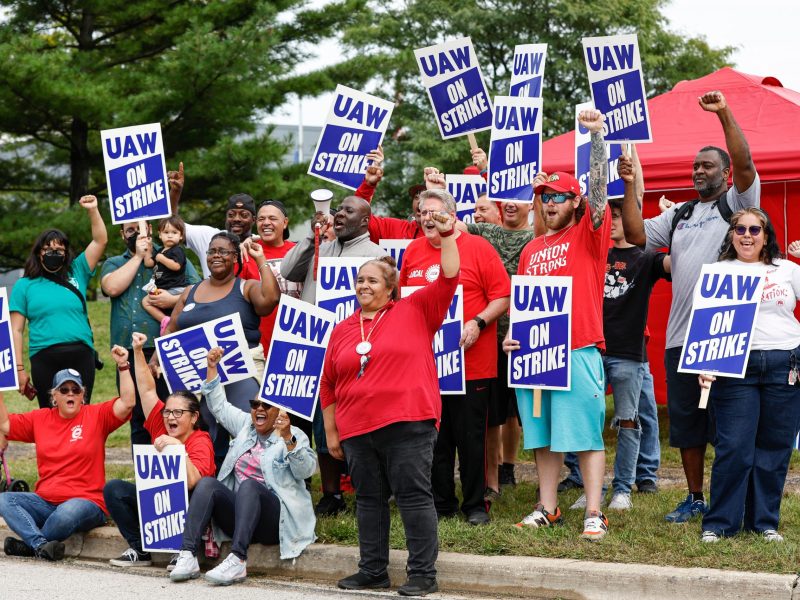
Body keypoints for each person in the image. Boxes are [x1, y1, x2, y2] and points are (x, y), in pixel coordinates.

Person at [620, 90, 760, 523]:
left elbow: (746, 164)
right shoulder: (680, 214)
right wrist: (629, 184)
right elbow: (636, 232)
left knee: (729, 427)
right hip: (681, 337)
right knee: (687, 427)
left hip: (724, 332)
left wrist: (723, 113)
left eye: (708, 165)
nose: (699, 170)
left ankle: (732, 498)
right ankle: (695, 497)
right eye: (696, 165)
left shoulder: (735, 205)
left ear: (724, 172)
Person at [321, 210, 459, 596]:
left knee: (413, 497)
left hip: (408, 423)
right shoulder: (343, 329)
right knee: (368, 500)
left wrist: (447, 234)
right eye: (360, 280)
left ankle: (422, 575)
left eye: (372, 280)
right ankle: (373, 570)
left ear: (390, 287)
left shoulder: (416, 310)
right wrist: (333, 432)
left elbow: (449, 276)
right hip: (357, 430)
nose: (364, 285)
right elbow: (329, 384)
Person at [504, 109, 611, 541]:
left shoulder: (589, 232)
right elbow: (525, 303)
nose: (549, 203)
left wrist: (597, 137)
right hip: (536, 355)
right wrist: (516, 336)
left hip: (579, 346)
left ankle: (594, 512)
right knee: (542, 436)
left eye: (558, 197)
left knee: (584, 435)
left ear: (574, 202)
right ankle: (547, 508)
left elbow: (601, 192)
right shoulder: (531, 250)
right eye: (544, 197)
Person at [400, 187, 510, 526]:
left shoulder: (478, 248)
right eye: (422, 213)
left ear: (452, 215)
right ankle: (442, 502)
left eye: (435, 212)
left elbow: (503, 296)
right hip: (427, 366)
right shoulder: (413, 252)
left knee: (471, 437)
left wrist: (478, 322)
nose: (427, 219)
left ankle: (475, 504)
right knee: (435, 438)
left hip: (472, 362)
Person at [170, 347, 316, 586]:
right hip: (240, 516)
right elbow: (218, 406)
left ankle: (237, 560)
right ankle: (187, 554)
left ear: (279, 411)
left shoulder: (292, 435)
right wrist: (212, 367)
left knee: (249, 485)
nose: (259, 409)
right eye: (254, 403)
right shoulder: (245, 427)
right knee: (207, 484)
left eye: (266, 405)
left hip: (273, 521)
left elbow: (306, 471)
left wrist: (288, 437)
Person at [697, 210, 800, 543]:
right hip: (734, 367)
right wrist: (704, 365)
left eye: (754, 229)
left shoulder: (787, 270)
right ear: (731, 234)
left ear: (766, 235)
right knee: (734, 446)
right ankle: (720, 523)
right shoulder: (717, 272)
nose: (747, 235)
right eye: (739, 228)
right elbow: (706, 323)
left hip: (785, 364)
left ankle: (764, 522)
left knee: (775, 446)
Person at [281, 195, 386, 516]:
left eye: (348, 211)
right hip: (317, 350)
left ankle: (370, 491)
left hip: (357, 351)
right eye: (337, 210)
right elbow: (287, 270)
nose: (339, 214)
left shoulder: (377, 256)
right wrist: (312, 239)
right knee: (321, 425)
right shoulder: (321, 249)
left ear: (366, 221)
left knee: (360, 425)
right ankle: (331, 494)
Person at [157, 231, 280, 465]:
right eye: (212, 251)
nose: (216, 255)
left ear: (235, 257)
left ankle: (248, 491)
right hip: (198, 376)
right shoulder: (190, 291)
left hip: (239, 372)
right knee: (205, 437)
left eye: (223, 251)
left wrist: (260, 259)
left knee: (246, 433)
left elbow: (270, 299)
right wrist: (155, 359)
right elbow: (171, 329)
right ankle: (208, 487)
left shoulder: (246, 287)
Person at [0, 350, 135, 561]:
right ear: (54, 396)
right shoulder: (40, 418)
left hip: (86, 502)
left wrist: (124, 366)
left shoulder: (97, 415)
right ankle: (40, 545)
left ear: (83, 394)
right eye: (64, 389)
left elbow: (127, 403)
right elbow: (4, 424)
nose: (70, 393)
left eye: (75, 389)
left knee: (67, 512)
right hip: (45, 501)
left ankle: (29, 546)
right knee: (4, 500)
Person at [457, 146, 536, 498]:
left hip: (529, 335)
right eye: (506, 197)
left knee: (527, 413)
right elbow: (452, 224)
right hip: (491, 337)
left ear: (532, 203)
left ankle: (519, 470)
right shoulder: (485, 233)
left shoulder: (537, 235)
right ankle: (492, 481)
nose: (510, 203)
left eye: (519, 198)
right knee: (492, 416)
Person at [104, 332, 216, 567]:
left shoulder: (200, 440)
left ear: (194, 417)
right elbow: (146, 391)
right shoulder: (160, 423)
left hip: (188, 507)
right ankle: (139, 549)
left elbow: (194, 484)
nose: (170, 417)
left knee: (194, 492)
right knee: (114, 489)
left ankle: (185, 550)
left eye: (178, 413)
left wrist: (178, 450)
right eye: (167, 412)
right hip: (158, 505)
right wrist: (136, 352)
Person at [101, 222, 201, 445]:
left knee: (173, 412)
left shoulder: (171, 254)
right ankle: (144, 476)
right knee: (137, 415)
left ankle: (177, 472)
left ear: (151, 230)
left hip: (166, 347)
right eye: (130, 230)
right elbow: (112, 288)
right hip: (128, 351)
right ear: (122, 234)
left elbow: (198, 290)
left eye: (141, 228)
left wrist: (172, 299)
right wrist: (138, 256)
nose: (135, 233)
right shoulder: (114, 262)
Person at [10, 195, 107, 408]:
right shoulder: (24, 285)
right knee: (49, 415)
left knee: (82, 413)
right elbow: (16, 330)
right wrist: (19, 369)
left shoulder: (78, 270)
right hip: (43, 356)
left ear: (66, 254)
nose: (54, 253)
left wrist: (93, 210)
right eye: (48, 249)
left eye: (60, 250)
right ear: (39, 253)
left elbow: (100, 241)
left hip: (81, 353)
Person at [238, 200, 302, 372]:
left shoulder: (300, 252)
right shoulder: (246, 253)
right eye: (261, 219)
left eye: (272, 218)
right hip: (259, 349)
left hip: (298, 345)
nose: (266, 223)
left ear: (285, 222)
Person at [168, 161, 258, 278]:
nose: (236, 219)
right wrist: (175, 193)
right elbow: (171, 225)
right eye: (231, 214)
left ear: (254, 220)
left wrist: (252, 239)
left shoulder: (258, 244)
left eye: (244, 215)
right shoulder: (209, 236)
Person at [141, 215, 189, 334]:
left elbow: (176, 266)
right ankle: (165, 320)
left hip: (176, 288)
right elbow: (148, 263)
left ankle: (168, 321)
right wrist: (148, 248)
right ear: (160, 234)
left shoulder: (177, 250)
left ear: (181, 235)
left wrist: (161, 258)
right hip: (164, 289)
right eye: (166, 232)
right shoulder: (161, 251)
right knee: (145, 302)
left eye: (174, 232)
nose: (170, 235)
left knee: (147, 301)